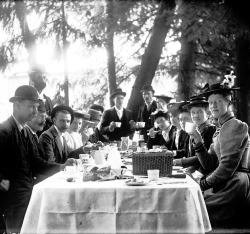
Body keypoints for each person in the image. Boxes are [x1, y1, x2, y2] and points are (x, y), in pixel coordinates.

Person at [0, 85, 75, 234]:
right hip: (14, 202)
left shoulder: (25, 131)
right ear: (17, 105)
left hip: (27, 196)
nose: (35, 111)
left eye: (36, 107)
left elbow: (36, 163)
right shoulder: (4, 130)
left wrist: (61, 167)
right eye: (31, 107)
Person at [189, 80, 250, 227]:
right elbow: (209, 163)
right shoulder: (220, 129)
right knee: (191, 210)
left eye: (218, 101)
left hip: (235, 184)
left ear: (228, 103)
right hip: (224, 181)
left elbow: (227, 167)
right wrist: (198, 140)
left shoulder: (236, 125)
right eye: (210, 103)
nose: (213, 106)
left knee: (194, 213)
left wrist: (201, 184)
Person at [173, 96, 216, 172]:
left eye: (199, 112)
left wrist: (176, 162)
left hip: (205, 174)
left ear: (207, 114)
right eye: (193, 112)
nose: (196, 115)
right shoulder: (194, 129)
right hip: (192, 170)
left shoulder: (210, 130)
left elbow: (202, 158)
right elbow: (188, 152)